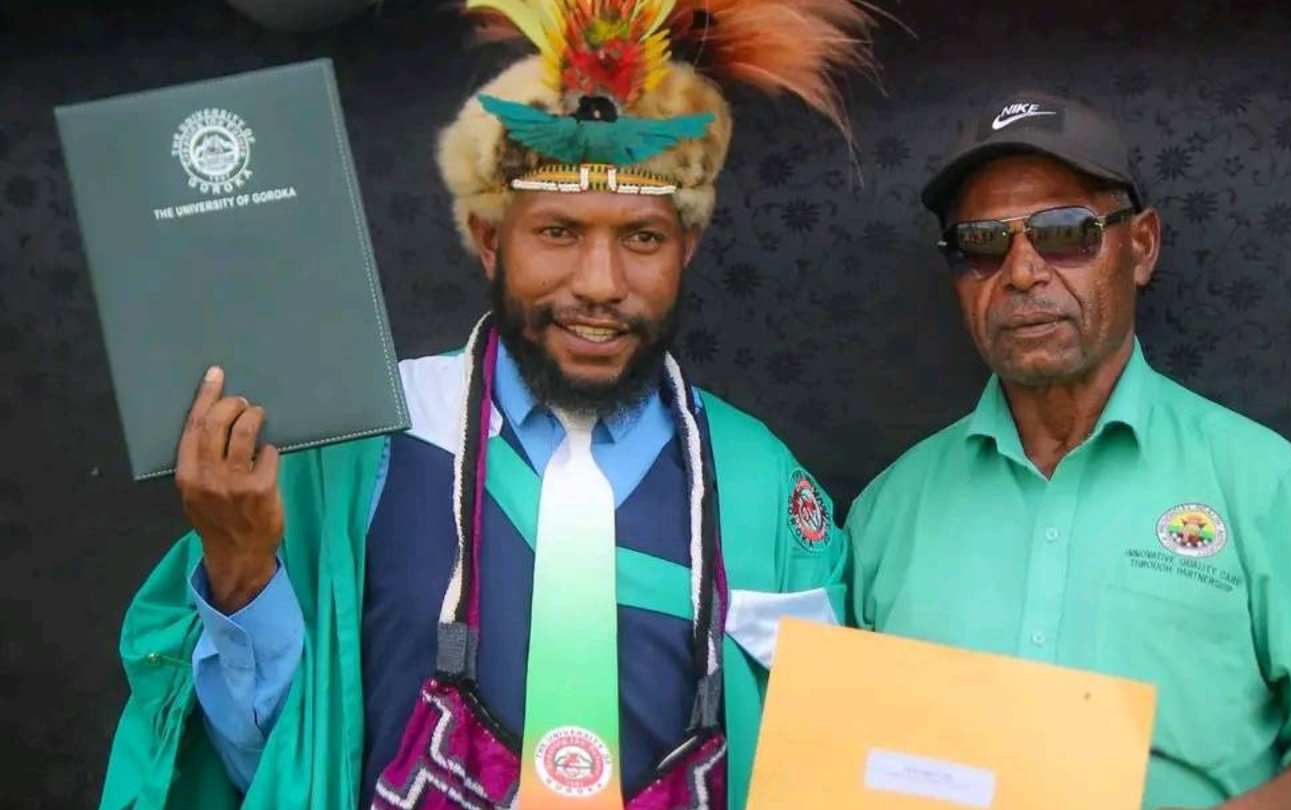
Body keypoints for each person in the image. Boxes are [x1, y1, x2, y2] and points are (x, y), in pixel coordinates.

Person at [99, 2, 878, 808]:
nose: (600, 283)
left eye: (642, 237)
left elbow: (821, 772)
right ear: (488, 238)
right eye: (558, 232)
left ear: (688, 247)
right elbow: (265, 762)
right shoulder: (366, 439)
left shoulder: (760, 488)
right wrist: (239, 568)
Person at [846, 89, 1291, 809]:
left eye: (1065, 232)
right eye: (982, 241)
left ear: (1141, 246)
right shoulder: (886, 513)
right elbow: (840, 750)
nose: (1024, 271)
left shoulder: (1269, 487)